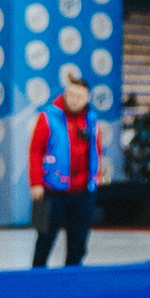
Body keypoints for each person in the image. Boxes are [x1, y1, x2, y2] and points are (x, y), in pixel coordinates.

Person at [28, 74, 101, 266]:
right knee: (44, 238)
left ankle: (72, 279)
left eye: (79, 96)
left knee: (79, 242)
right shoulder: (47, 117)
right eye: (71, 94)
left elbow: (96, 149)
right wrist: (35, 183)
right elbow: (35, 151)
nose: (74, 99)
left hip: (84, 191)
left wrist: (96, 177)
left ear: (87, 98)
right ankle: (37, 276)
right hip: (51, 190)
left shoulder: (92, 119)